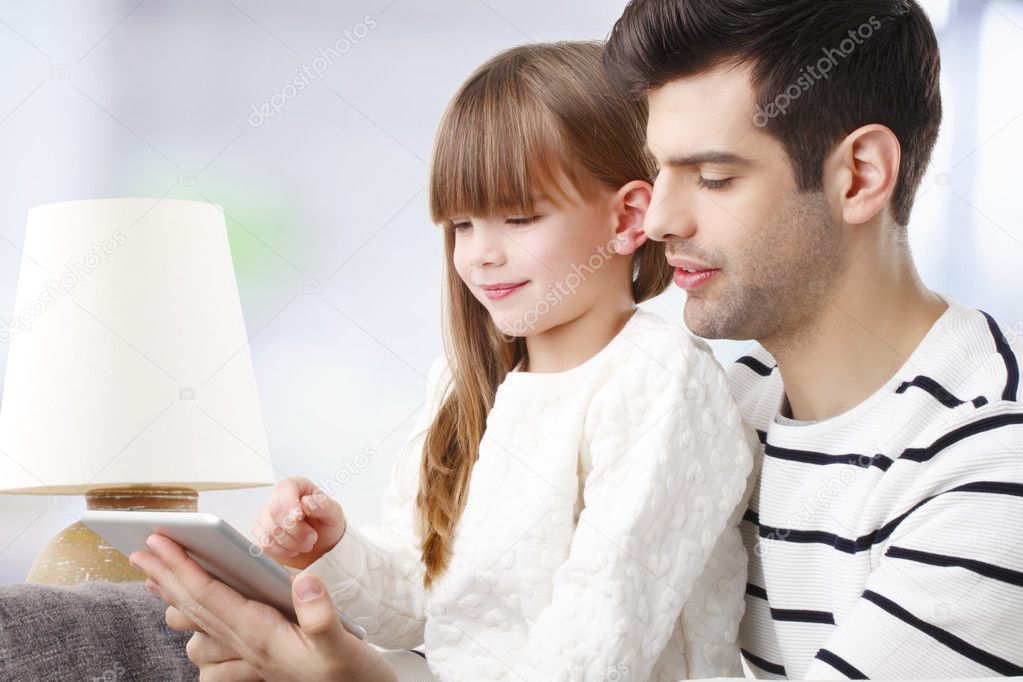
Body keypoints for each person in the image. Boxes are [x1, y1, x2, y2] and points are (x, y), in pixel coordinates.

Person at [133, 41, 756, 681]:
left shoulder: (659, 383)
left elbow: (595, 646)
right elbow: (419, 603)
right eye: (461, 225)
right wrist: (334, 549)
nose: (480, 254)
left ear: (628, 217)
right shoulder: (468, 382)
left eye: (518, 217)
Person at [602, 0, 1023, 678]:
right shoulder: (724, 410)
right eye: (658, 171)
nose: (657, 220)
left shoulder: (988, 473)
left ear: (857, 175)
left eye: (713, 177)